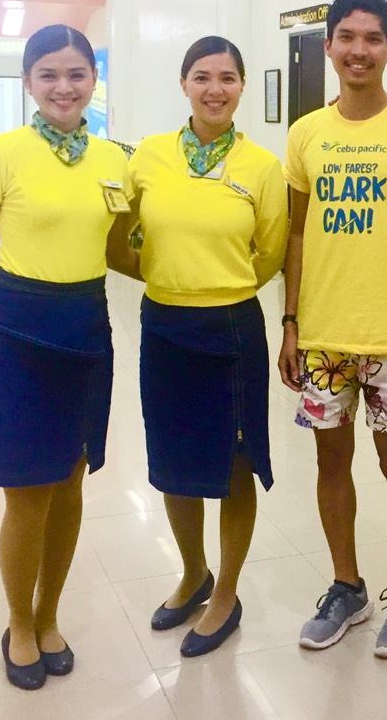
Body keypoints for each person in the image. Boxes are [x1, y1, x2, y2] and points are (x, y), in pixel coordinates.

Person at [0, 24, 134, 691]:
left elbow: (118, 250)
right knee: (27, 494)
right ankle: (18, 624)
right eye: (49, 74)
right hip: (13, 339)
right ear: (28, 82)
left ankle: (50, 613)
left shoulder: (115, 159)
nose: (64, 86)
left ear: (93, 81)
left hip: (85, 334)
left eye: (77, 74)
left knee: (71, 487)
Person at [277, 0, 387, 660]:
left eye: (372, 38)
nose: (358, 49)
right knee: (330, 459)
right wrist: (291, 323)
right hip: (323, 334)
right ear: (328, 46)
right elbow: (296, 234)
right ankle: (346, 584)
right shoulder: (306, 134)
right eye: (346, 37)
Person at [124, 36, 287, 657]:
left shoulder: (261, 168)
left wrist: (213, 280)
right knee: (173, 458)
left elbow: (269, 254)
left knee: (235, 460)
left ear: (243, 86)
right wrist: (170, 276)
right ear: (184, 85)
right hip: (164, 324)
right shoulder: (149, 156)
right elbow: (122, 237)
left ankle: (228, 593)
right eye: (202, 76)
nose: (215, 88)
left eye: (227, 77)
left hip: (231, 328)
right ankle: (194, 573)